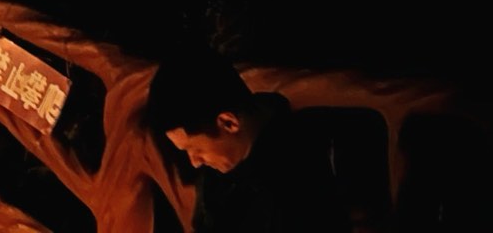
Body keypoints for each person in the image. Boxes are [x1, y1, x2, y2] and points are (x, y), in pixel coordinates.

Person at [148, 54, 354, 233]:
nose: (195, 162)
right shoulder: (222, 166)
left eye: (196, 149)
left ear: (228, 123)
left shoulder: (300, 172)